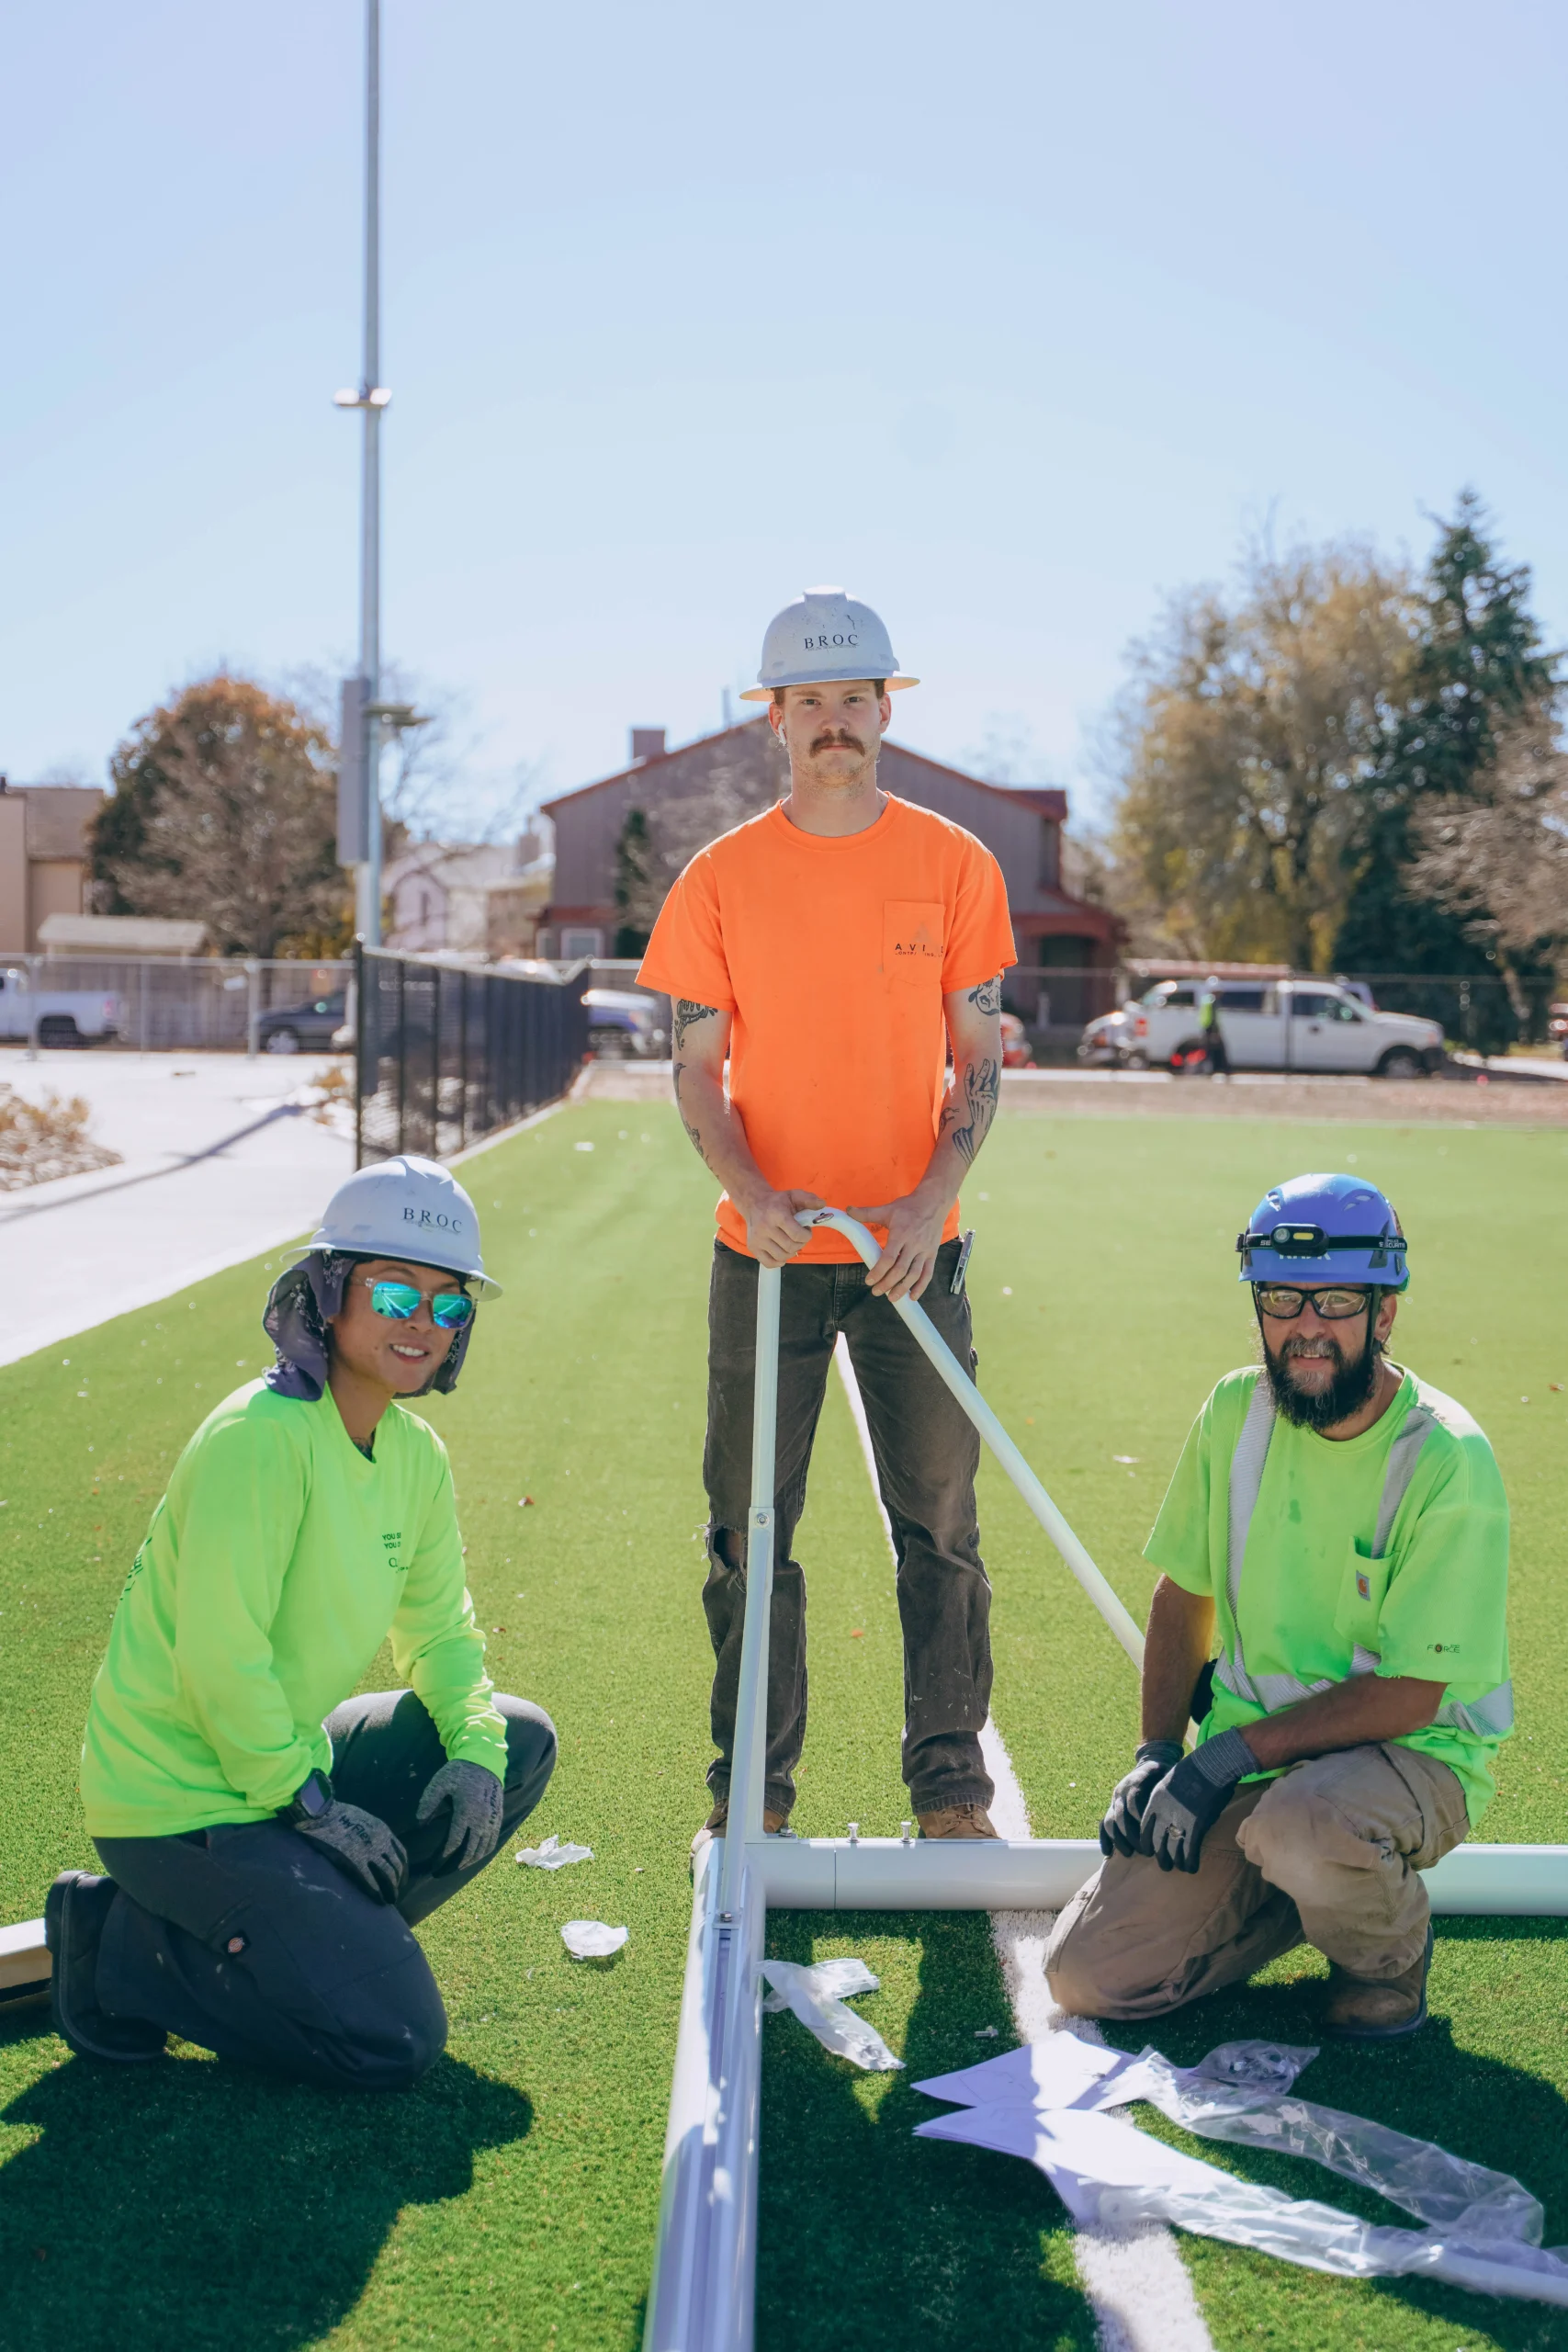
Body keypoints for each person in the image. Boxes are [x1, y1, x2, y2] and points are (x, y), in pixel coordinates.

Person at [45, 1156, 557, 2089]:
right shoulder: (259, 1439)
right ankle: (116, 1948)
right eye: (396, 1290)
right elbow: (219, 1661)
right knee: (392, 2041)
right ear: (328, 1292)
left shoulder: (415, 1454)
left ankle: (317, 1940)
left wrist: (476, 1758)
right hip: (177, 1805)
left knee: (518, 1744)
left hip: (276, 1776)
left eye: (447, 1305)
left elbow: (442, 1634)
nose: (421, 1324)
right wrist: (310, 1805)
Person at [637, 589, 1017, 1842]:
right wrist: (751, 1193)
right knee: (749, 1531)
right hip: (767, 1253)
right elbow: (695, 1068)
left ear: (883, 708)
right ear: (774, 720)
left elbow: (977, 1063)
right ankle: (753, 1789)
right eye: (808, 703)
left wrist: (925, 1202)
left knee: (940, 1523)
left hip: (914, 1249)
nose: (832, 723)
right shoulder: (719, 880)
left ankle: (950, 1787)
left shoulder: (954, 863)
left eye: (852, 698)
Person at [1045, 1172, 1512, 2040]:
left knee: (1303, 1824)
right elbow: (1182, 1596)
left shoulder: (1446, 1459)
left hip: (1409, 1758)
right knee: (1089, 1977)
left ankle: (1385, 1957)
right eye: (1281, 1298)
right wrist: (1155, 1751)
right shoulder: (1235, 1411)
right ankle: (1299, 1889)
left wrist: (1221, 1758)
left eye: (1335, 1299)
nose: (1306, 1325)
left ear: (1385, 1310)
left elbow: (1412, 1694)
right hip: (1262, 1768)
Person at [1198, 977, 1229, 1077]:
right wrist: (1215, 1032)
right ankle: (1212, 1070)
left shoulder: (1205, 1000)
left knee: (1207, 1051)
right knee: (1214, 1051)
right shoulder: (1212, 1001)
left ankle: (1208, 1070)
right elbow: (1213, 1017)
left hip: (1206, 1028)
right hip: (1211, 1029)